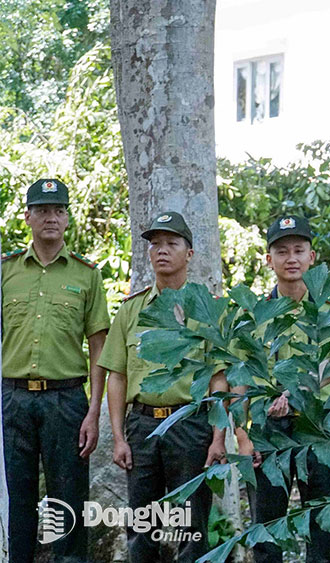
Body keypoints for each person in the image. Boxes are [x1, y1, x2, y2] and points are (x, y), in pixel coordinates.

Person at [99, 211, 228, 562]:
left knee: (192, 524)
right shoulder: (131, 310)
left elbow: (219, 378)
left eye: (172, 243)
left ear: (189, 253)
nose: (162, 250)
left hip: (190, 425)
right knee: (142, 525)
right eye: (155, 244)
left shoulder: (208, 309)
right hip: (142, 427)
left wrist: (218, 438)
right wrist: (119, 436)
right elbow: (118, 375)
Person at [1, 178, 110, 563]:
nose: (51, 217)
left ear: (67, 219)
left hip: (65, 401)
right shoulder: (7, 270)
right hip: (12, 399)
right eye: (43, 210)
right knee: (18, 499)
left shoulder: (86, 274)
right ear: (27, 217)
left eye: (59, 210)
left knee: (68, 501)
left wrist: (94, 410)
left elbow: (100, 345)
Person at [233, 215, 330, 563]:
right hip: (268, 431)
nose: (292, 258)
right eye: (282, 251)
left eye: (300, 250)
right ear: (269, 260)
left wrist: (300, 394)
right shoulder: (252, 314)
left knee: (322, 529)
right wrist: (242, 435)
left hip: (321, 427)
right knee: (267, 529)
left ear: (313, 257)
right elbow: (239, 377)